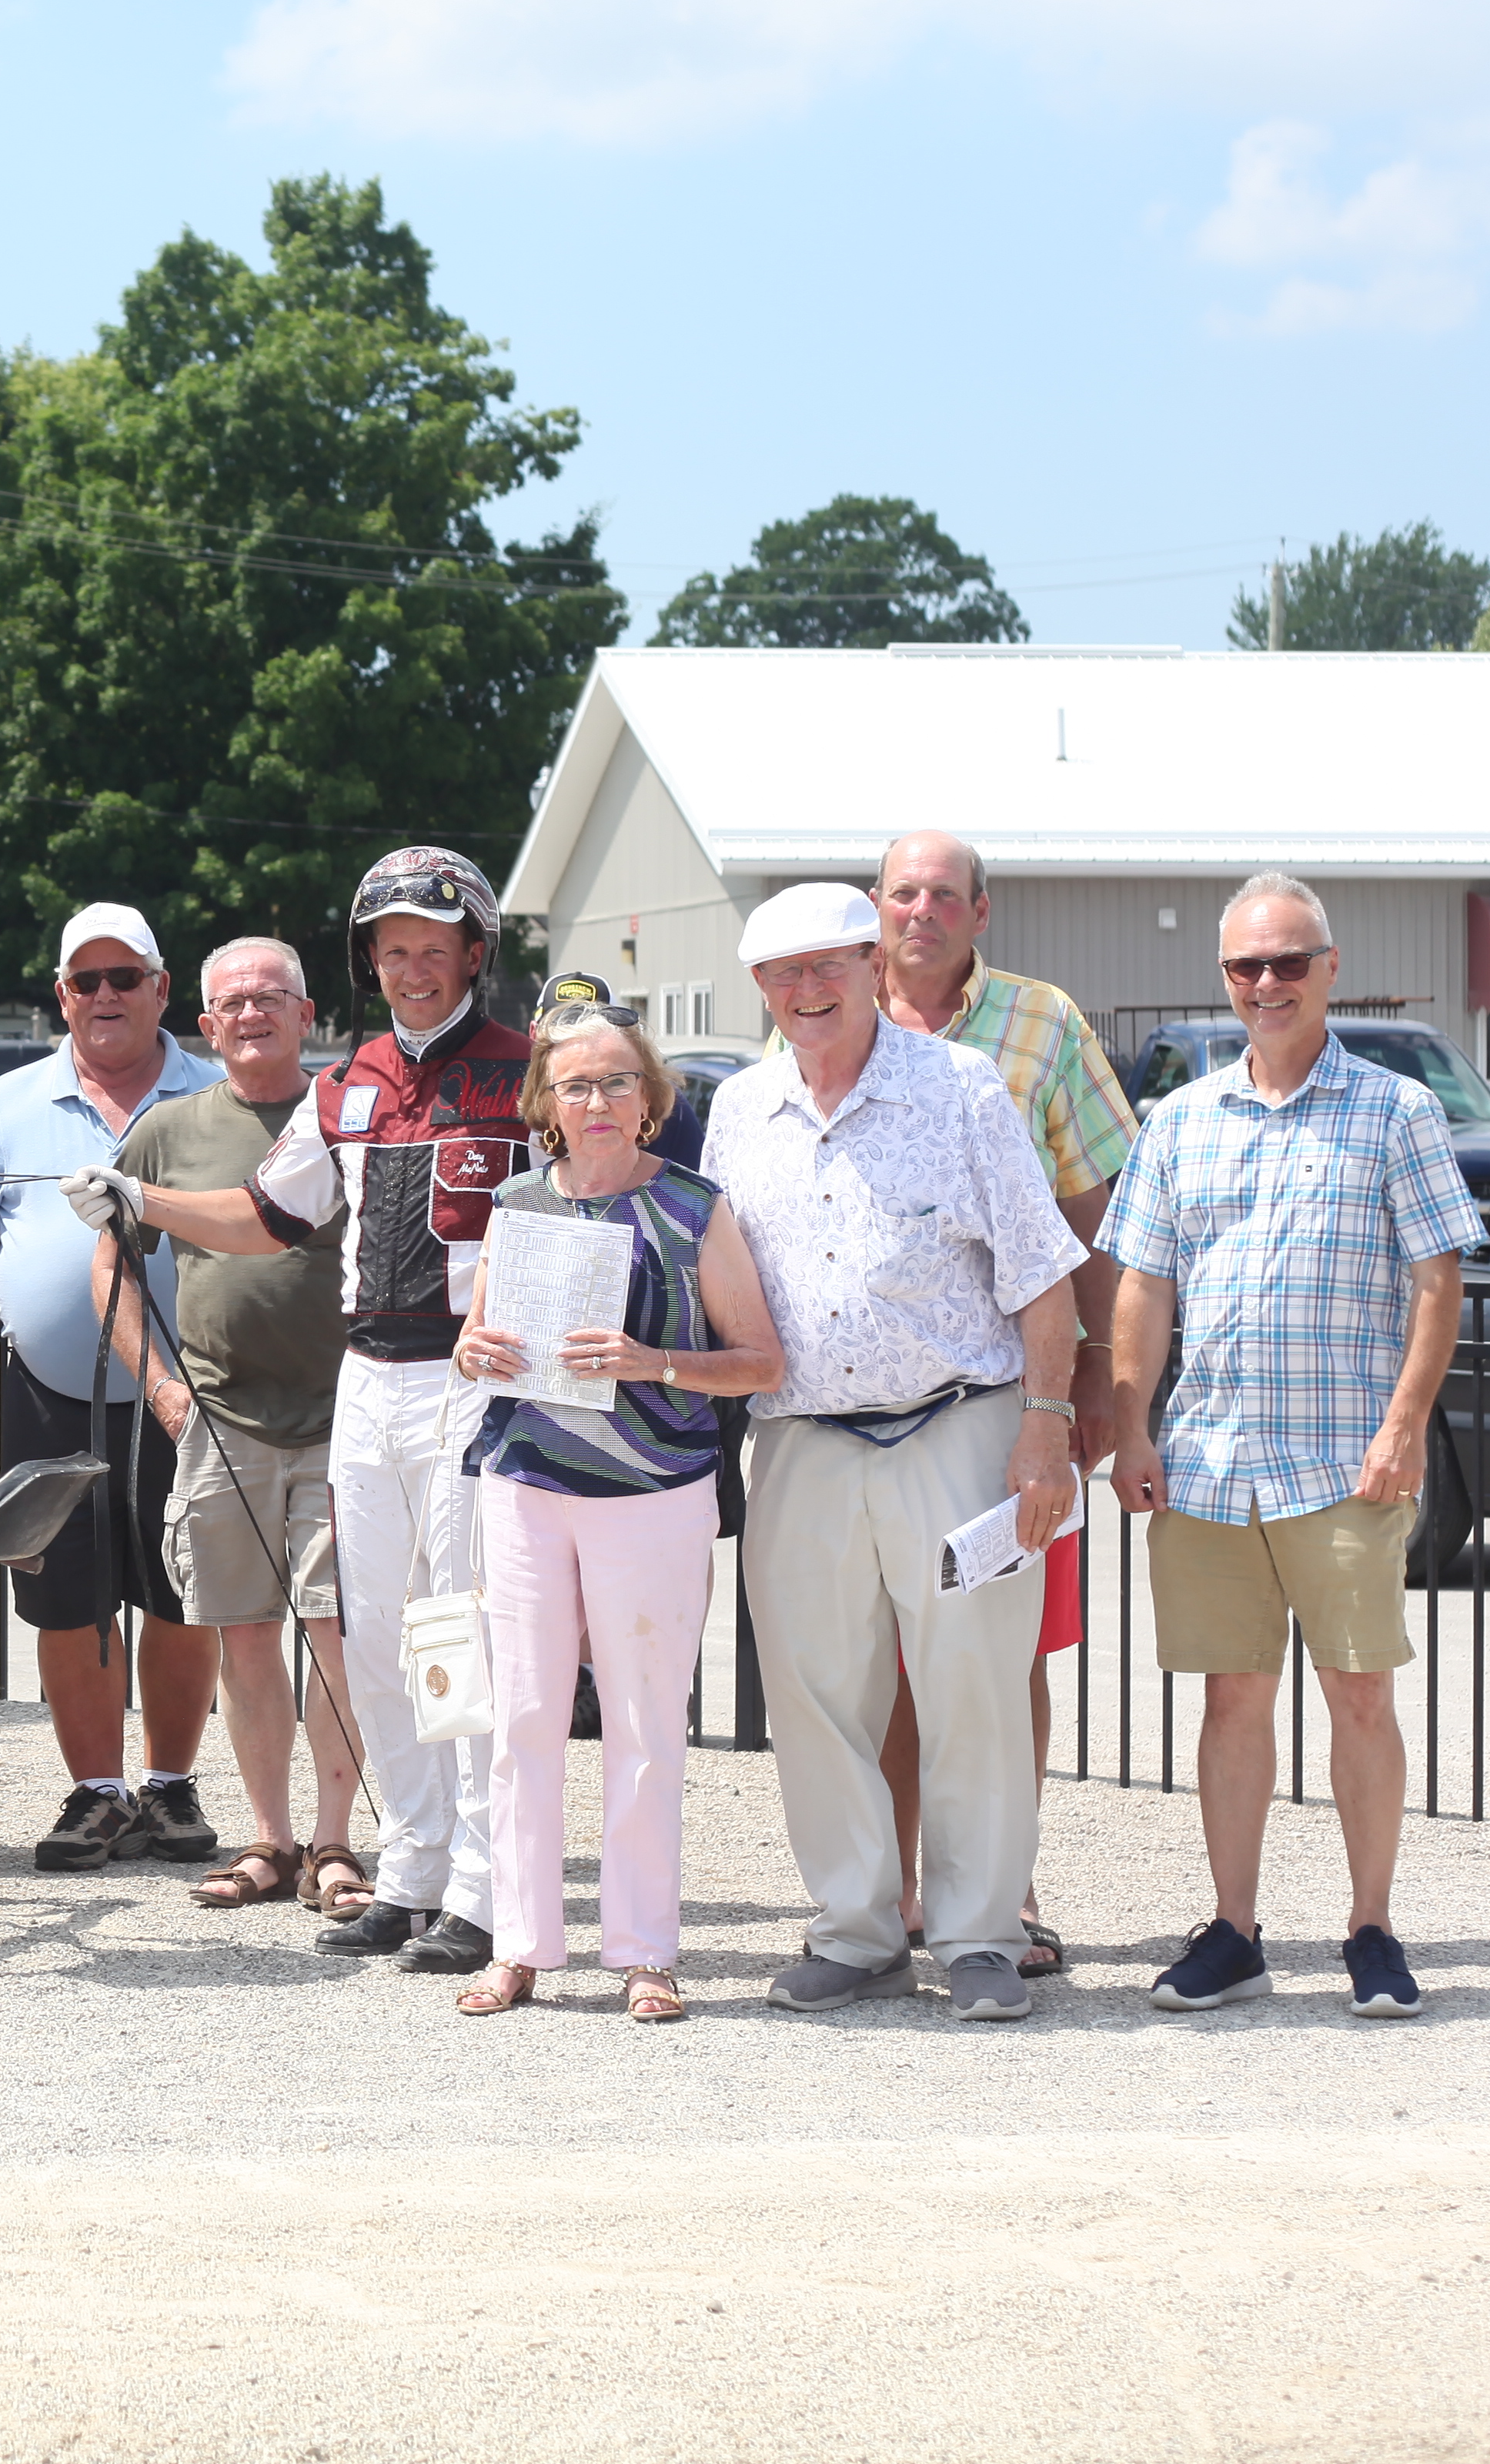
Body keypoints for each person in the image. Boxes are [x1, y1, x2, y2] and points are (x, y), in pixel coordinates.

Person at [77, 846, 535, 1974]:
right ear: (367, 961)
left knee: (456, 1632)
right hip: (367, 1383)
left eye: (434, 951)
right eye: (393, 953)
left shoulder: (532, 1073)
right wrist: (139, 1196)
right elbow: (258, 1216)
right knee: (372, 1639)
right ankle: (413, 1867)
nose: (413, 972)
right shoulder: (350, 1083)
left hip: (474, 1385)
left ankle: (481, 1886)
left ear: (475, 952)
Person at [703, 882, 1087, 2022]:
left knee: (973, 1687)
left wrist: (1047, 1428)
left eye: (830, 965)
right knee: (817, 1701)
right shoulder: (738, 1110)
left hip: (957, 1423)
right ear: (760, 991)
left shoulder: (960, 1089)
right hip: (803, 1439)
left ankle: (979, 1934)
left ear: (874, 964)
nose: (808, 991)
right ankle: (858, 1929)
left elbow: (1041, 1275)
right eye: (783, 974)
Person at [1100, 872, 1476, 2022]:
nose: (1267, 983)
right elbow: (1143, 1290)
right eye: (1246, 967)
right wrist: (1131, 1428)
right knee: (1231, 1702)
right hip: (1209, 1462)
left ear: (1330, 970)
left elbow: (1437, 1283)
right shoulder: (1178, 1121)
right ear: (1226, 978)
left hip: (1343, 1462)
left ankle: (1371, 1928)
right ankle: (1236, 1931)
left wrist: (1403, 1430)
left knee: (1359, 1697)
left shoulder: (1397, 1112)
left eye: (1288, 962)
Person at [449, 999, 788, 2020]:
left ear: (650, 1099)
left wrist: (655, 1364)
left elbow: (763, 1361)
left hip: (653, 1492)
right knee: (522, 1720)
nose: (596, 1099)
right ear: (545, 1103)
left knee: (645, 1724)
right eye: (576, 1083)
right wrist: (477, 1352)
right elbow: (474, 1337)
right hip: (525, 1485)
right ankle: (519, 1945)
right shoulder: (520, 1202)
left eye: (617, 1081)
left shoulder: (692, 1207)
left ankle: (644, 1952)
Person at [867, 828, 1140, 1977]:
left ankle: (1005, 1888)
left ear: (982, 913)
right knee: (881, 1658)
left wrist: (1096, 1393)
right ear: (874, 909)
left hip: (1009, 1405)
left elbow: (1102, 1216)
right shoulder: (830, 1010)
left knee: (1003, 1656)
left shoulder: (1044, 1025)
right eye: (902, 893)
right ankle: (887, 1895)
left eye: (944, 895)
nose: (920, 912)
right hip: (864, 1411)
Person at [0, 904, 222, 1871]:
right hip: (49, 1391)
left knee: (186, 1595)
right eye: (84, 982)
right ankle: (98, 1793)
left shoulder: (216, 1094)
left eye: (124, 979)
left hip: (194, 1392)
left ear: (161, 990)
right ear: (60, 996)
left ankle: (170, 1787)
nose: (104, 997)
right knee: (67, 1602)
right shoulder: (9, 1102)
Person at [88, 939, 360, 1908]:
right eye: (232, 1003)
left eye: (270, 998)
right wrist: (162, 1391)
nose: (251, 1014)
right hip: (221, 1422)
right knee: (242, 1638)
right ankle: (271, 1842)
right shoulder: (168, 1130)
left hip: (347, 1422)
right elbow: (112, 1267)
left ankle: (337, 1844)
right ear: (205, 1024)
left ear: (307, 1012)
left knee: (335, 1635)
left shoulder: (349, 1115)